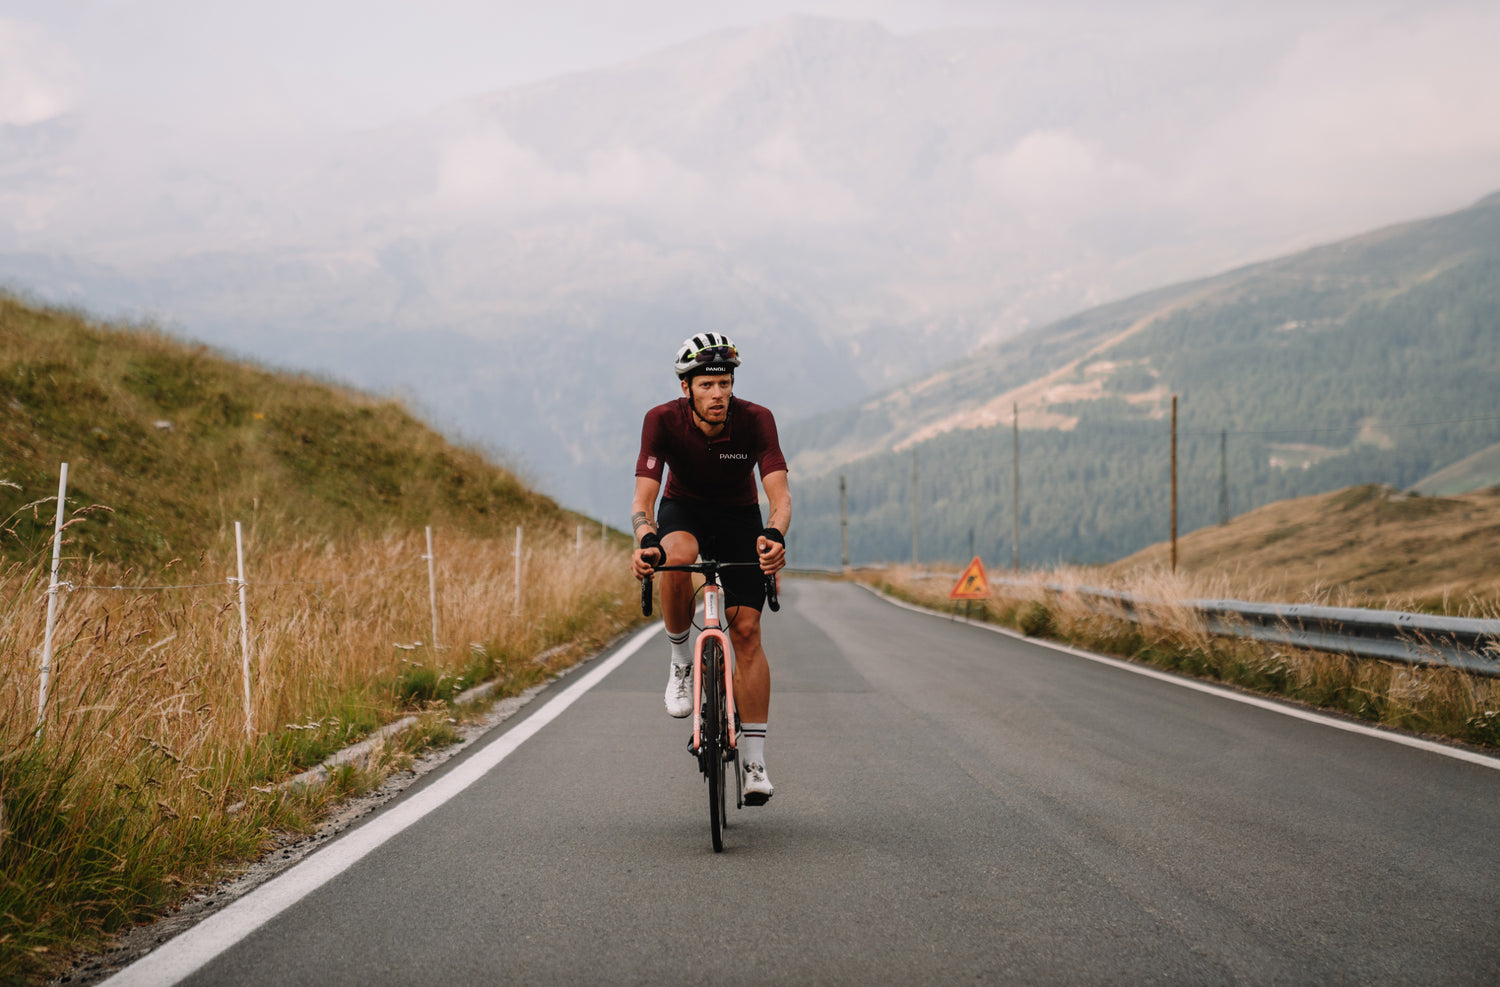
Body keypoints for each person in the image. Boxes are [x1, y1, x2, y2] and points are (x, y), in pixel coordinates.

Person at [630, 333, 791, 805]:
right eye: (706, 385)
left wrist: (775, 535)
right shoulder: (661, 420)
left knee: (746, 631)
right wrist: (646, 541)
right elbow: (643, 499)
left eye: (724, 383)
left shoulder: (756, 420)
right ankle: (682, 660)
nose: (718, 393)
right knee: (674, 554)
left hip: (740, 518)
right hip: (684, 511)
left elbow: (779, 496)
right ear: (687, 390)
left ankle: (755, 762)